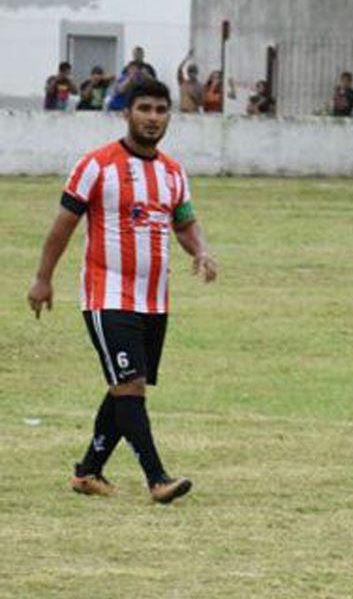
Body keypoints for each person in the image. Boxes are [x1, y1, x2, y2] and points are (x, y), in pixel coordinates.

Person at [26, 78, 218, 505]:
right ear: (126, 112)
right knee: (129, 385)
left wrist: (201, 251)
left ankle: (88, 471)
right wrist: (43, 278)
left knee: (124, 386)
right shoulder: (97, 165)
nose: (152, 118)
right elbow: (62, 226)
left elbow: (184, 223)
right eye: (144, 109)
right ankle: (157, 479)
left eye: (160, 110)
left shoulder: (172, 172)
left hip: (154, 299)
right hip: (107, 296)